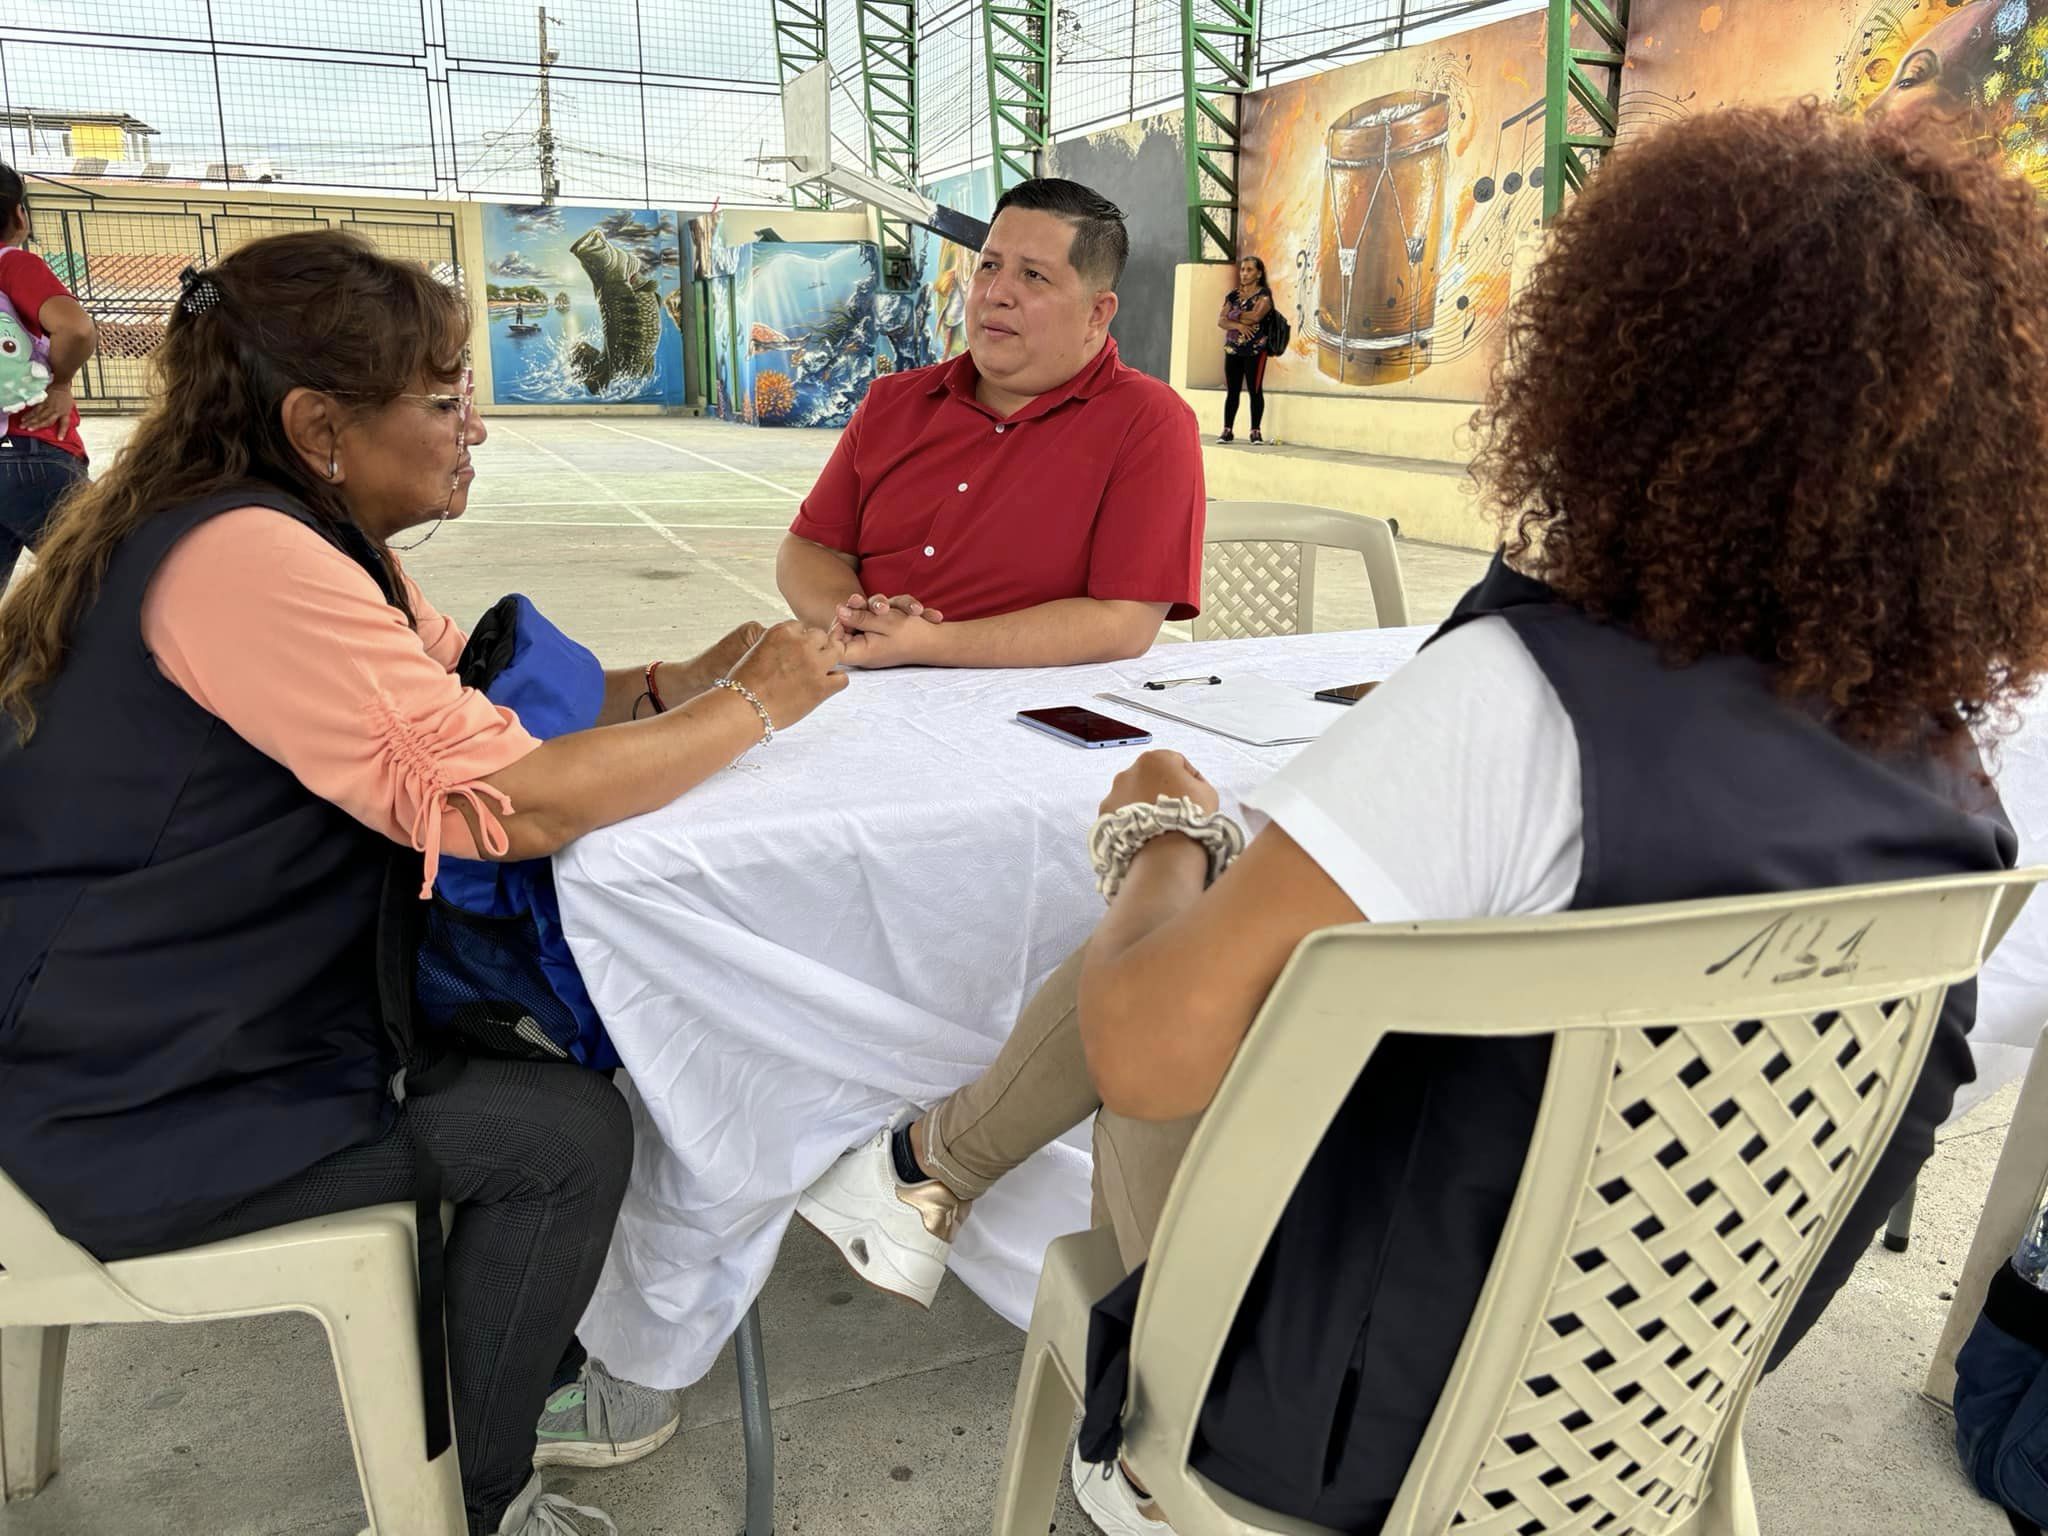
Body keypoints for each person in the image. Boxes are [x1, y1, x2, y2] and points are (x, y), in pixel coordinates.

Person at [796, 104, 2048, 1532]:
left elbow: (1142, 1052)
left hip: (1326, 1435)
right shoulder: (1950, 782)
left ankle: (948, 1200)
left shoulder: (1519, 697)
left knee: (1174, 957)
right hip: (1642, 1422)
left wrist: (1160, 843)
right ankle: (925, 1172)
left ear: (1613, 373)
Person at [0, 230, 846, 1536]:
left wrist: (682, 682)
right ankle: (472, 1500)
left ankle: (511, 1365)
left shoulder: (281, 530)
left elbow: (475, 701)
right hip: (126, 1085)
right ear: (319, 427)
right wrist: (752, 709)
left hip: (161, 1011)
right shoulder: (250, 561)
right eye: (447, 400)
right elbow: (506, 806)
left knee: (554, 1054)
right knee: (565, 1139)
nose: (474, 430)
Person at [775, 177, 1205, 669]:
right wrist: (858, 620)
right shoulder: (892, 401)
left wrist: (928, 644)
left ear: (1096, 313)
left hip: (1031, 702)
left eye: (1034, 276)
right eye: (990, 266)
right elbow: (809, 548)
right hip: (863, 683)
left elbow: (1123, 622)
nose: (996, 293)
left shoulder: (1148, 421)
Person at [0, 162, 96, 592]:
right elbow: (76, 329)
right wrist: (59, 384)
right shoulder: (12, 264)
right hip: (31, 450)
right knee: (120, 581)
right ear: (18, 214)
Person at [1216, 255, 1271, 444]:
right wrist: (1239, 324)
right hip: (1233, 349)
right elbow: (1221, 321)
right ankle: (1227, 430)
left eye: (1249, 270)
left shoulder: (1264, 295)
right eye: (1242, 270)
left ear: (1259, 274)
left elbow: (1256, 316)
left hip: (1255, 350)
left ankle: (1255, 431)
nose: (1244, 273)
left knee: (1255, 390)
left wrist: (1233, 315)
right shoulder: (1233, 295)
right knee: (1232, 391)